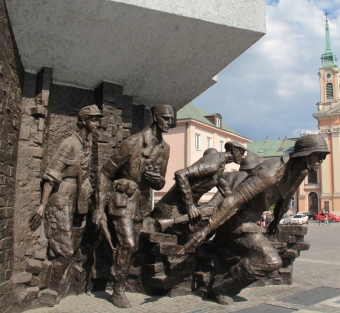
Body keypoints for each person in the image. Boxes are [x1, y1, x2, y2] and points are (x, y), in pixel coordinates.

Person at [183, 134, 330, 305]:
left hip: (250, 222)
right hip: (237, 222)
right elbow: (234, 200)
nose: (321, 160)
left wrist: (276, 220)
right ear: (305, 155)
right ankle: (223, 287)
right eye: (319, 155)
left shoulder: (300, 171)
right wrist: (206, 230)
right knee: (270, 261)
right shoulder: (271, 172)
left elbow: (286, 196)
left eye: (324, 156)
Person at [92, 104, 173, 308]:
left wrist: (157, 180)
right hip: (122, 200)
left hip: (142, 205)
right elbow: (106, 173)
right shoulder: (133, 142)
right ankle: (117, 291)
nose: (169, 123)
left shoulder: (165, 148)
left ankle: (114, 278)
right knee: (127, 244)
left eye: (171, 119)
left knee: (132, 246)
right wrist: (99, 208)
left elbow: (161, 182)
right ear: (155, 117)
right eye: (165, 118)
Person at [29, 105, 102, 289]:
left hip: (77, 201)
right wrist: (42, 204)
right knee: (65, 250)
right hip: (60, 200)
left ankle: (56, 284)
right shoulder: (69, 144)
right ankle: (49, 290)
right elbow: (51, 175)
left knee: (74, 244)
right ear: (83, 121)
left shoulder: (87, 145)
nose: (97, 123)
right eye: (93, 120)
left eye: (97, 119)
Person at [151, 141, 247, 230]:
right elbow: (180, 174)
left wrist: (245, 209)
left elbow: (228, 194)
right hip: (170, 211)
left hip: (184, 212)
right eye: (242, 153)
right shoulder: (214, 164)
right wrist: (190, 206)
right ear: (234, 150)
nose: (243, 157)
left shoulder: (219, 168)